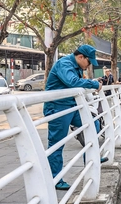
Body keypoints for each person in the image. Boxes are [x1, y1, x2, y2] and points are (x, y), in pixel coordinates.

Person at [43, 44, 107, 191]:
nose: (89, 65)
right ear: (80, 57)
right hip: (57, 107)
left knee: (93, 124)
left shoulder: (76, 66)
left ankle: (91, 158)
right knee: (57, 143)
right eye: (89, 62)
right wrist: (93, 83)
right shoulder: (64, 64)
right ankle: (55, 179)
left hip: (72, 106)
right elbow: (72, 82)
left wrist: (92, 82)